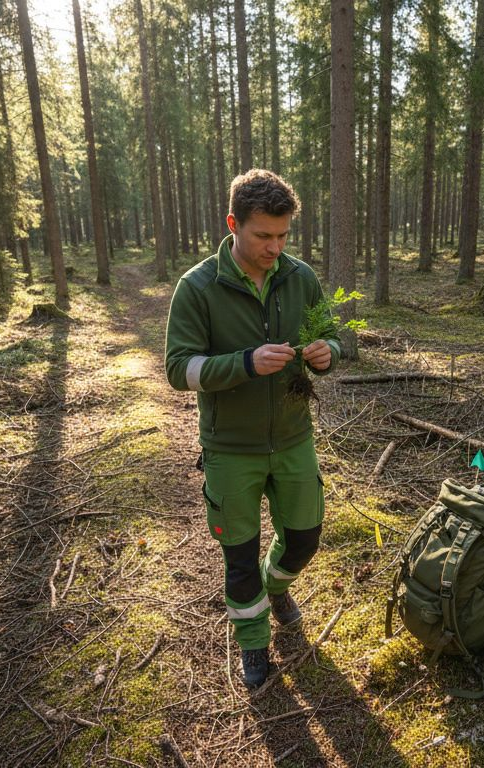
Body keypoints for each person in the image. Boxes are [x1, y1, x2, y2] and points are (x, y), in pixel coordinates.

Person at [165, 169, 342, 690]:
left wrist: (326, 353)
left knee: (305, 538)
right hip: (230, 449)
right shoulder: (197, 287)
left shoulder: (300, 276)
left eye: (283, 235)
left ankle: (278, 586)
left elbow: (330, 333)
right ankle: (253, 646)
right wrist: (244, 363)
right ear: (233, 224)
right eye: (263, 235)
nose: (275, 247)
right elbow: (179, 370)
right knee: (238, 557)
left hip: (292, 440)